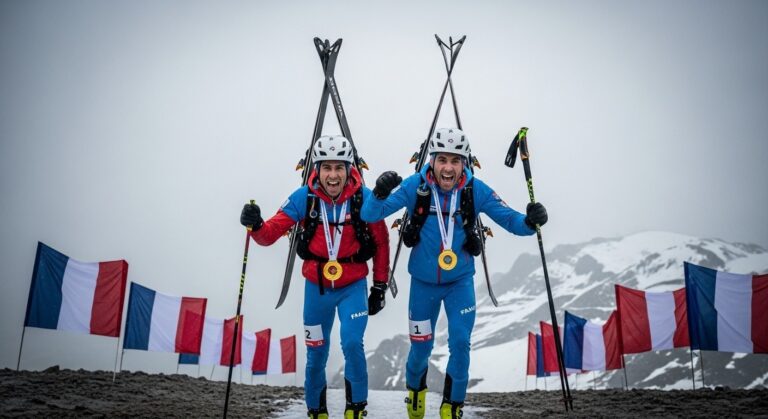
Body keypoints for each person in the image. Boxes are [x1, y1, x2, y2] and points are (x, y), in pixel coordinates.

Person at [361, 128, 548, 419]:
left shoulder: (476, 190)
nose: (449, 167)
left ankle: (453, 406)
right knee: (420, 348)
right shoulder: (415, 187)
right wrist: (379, 192)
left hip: (460, 282)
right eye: (443, 160)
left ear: (465, 163)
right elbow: (372, 215)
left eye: (456, 161)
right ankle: (416, 391)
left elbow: (511, 220)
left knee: (460, 343)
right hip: (423, 284)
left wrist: (530, 220)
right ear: (432, 161)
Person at [240, 135, 390, 419]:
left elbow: (381, 242)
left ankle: (356, 409)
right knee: (316, 354)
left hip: (352, 287)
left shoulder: (364, 198)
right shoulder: (303, 197)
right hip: (316, 289)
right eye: (326, 168)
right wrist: (255, 224)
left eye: (339, 168)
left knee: (351, 344)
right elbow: (269, 234)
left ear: (349, 169)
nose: (333, 175)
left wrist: (379, 286)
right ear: (316, 170)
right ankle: (316, 412)